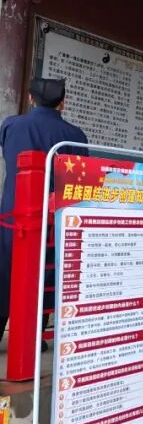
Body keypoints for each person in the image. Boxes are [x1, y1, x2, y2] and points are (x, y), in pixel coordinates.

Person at [0, 78, 87, 340]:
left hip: (14, 216)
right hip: (53, 219)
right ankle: (35, 338)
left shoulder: (12, 125)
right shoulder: (76, 136)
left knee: (5, 272)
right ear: (63, 103)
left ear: (30, 98)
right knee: (45, 274)